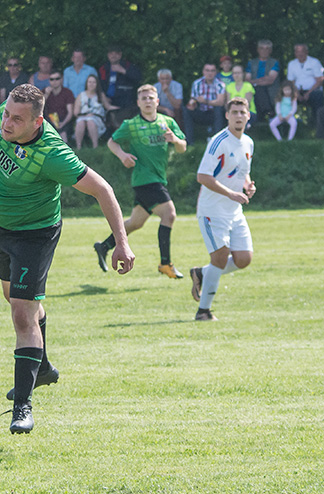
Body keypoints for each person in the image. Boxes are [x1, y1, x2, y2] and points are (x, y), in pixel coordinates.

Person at [0, 84, 135, 434]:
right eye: (5, 114)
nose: (6, 123)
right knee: (19, 301)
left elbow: (104, 189)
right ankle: (44, 367)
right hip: (2, 228)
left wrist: (122, 244)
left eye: (16, 119)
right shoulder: (4, 119)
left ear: (38, 121)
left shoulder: (53, 154)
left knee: (22, 313)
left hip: (35, 234)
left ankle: (22, 407)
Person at [94, 84, 187, 279]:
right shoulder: (131, 125)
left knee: (136, 222)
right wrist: (122, 155)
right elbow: (112, 142)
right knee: (169, 215)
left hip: (158, 177)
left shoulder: (167, 121)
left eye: (150, 98)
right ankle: (165, 263)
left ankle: (104, 246)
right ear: (138, 103)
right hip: (145, 179)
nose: (147, 101)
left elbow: (182, 148)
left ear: (157, 101)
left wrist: (175, 141)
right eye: (143, 98)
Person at [189, 97, 256, 321]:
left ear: (248, 115)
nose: (238, 116)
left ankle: (201, 273)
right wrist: (230, 193)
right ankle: (203, 311)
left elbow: (241, 170)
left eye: (242, 112)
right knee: (220, 257)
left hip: (234, 210)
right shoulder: (219, 142)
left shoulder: (248, 142)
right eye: (234, 112)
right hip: (212, 210)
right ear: (227, 116)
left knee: (244, 259)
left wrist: (247, 184)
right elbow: (202, 176)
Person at [98, 45, 142, 130]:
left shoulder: (128, 65)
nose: (113, 56)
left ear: (120, 55)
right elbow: (99, 85)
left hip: (126, 100)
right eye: (111, 53)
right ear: (108, 55)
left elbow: (138, 78)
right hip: (108, 100)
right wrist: (104, 98)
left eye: (116, 54)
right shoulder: (104, 68)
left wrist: (123, 71)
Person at [182, 63, 226, 144]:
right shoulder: (197, 83)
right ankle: (189, 142)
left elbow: (220, 102)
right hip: (201, 112)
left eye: (212, 71)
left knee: (219, 109)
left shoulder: (220, 84)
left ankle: (217, 141)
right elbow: (193, 99)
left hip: (214, 114)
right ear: (203, 72)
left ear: (215, 72)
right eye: (207, 70)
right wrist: (192, 104)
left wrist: (205, 101)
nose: (210, 73)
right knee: (186, 110)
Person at [73, 74, 116, 149]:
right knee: (80, 123)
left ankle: (95, 146)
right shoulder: (81, 95)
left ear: (97, 84)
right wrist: (85, 115)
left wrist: (122, 109)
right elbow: (76, 112)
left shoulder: (100, 95)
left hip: (97, 118)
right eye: (89, 82)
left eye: (94, 82)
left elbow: (108, 107)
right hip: (83, 117)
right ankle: (78, 147)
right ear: (86, 83)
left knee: (90, 121)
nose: (91, 84)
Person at [286, 43, 324, 126]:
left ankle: (317, 126)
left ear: (306, 52)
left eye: (302, 51)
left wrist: (308, 93)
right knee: (285, 99)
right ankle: (287, 126)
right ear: (295, 53)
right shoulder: (291, 64)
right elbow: (291, 82)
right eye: (297, 51)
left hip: (313, 90)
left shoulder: (314, 62)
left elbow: (319, 80)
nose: (300, 54)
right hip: (297, 91)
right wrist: (297, 94)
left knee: (318, 97)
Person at [246, 39, 281, 121]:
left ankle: (264, 114)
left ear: (270, 50)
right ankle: (268, 112)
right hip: (253, 90)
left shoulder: (274, 62)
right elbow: (247, 79)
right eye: (262, 48)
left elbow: (270, 80)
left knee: (258, 89)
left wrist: (255, 82)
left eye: (267, 48)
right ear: (258, 50)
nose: (264, 51)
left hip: (270, 90)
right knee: (257, 90)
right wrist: (263, 79)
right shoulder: (251, 63)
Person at [43, 72, 75, 141]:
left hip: (65, 120)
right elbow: (38, 108)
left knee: (63, 133)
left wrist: (63, 123)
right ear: (49, 81)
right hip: (49, 120)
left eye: (57, 79)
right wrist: (46, 95)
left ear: (61, 80)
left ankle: (64, 149)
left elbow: (70, 113)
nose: (54, 81)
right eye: (52, 79)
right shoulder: (45, 91)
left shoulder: (67, 92)